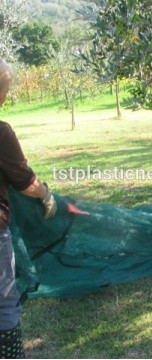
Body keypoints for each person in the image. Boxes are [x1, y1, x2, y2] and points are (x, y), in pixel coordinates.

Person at [0, 59, 57, 359]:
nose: (6, 96)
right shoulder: (1, 132)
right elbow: (25, 181)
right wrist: (45, 193)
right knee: (5, 301)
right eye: (5, 89)